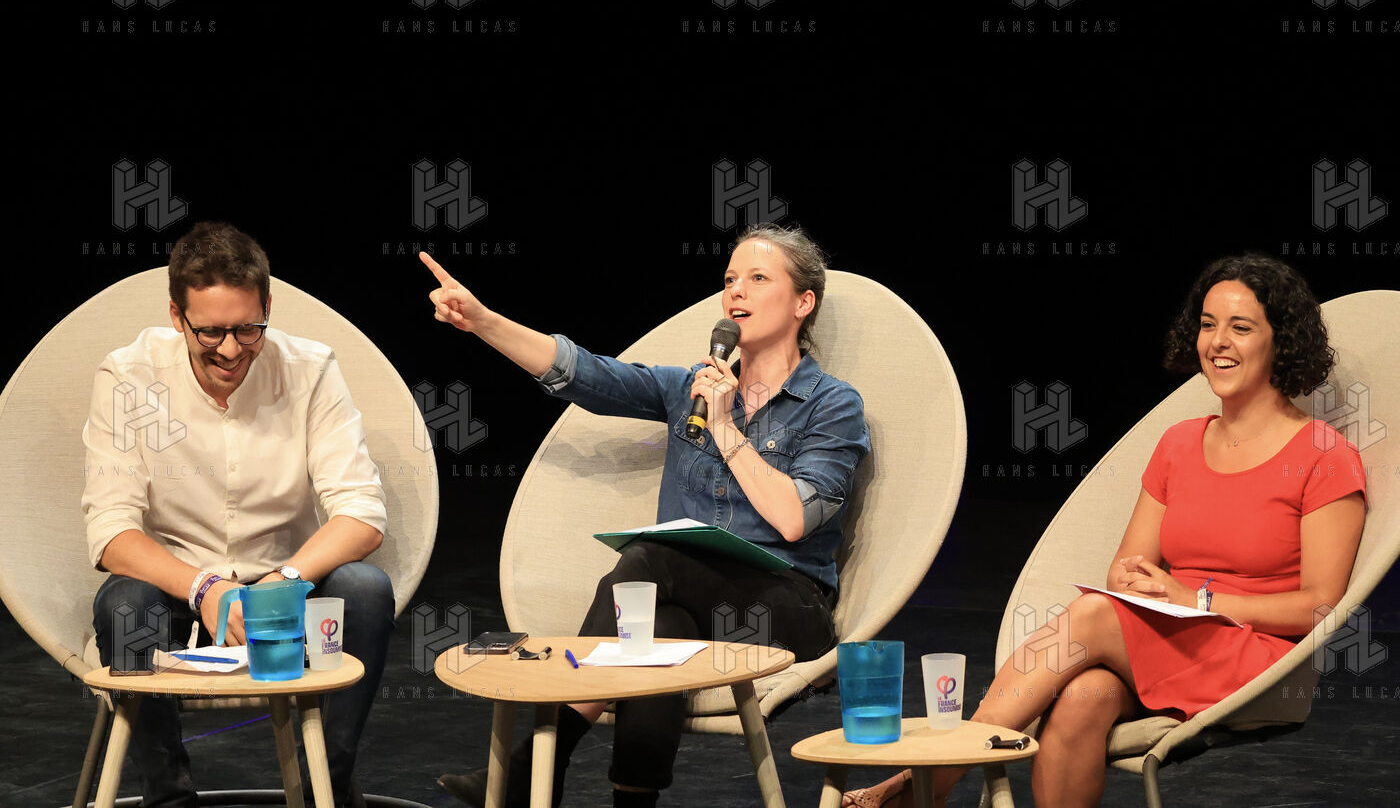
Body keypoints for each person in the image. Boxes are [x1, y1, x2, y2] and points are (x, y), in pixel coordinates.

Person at [844, 253, 1367, 808]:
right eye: (1208, 324)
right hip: (1175, 639)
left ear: (1281, 342)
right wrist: (1140, 583)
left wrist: (1196, 599)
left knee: (1094, 613)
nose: (1218, 341)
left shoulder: (1323, 455)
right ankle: (929, 785)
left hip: (1260, 659)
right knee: (1080, 699)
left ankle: (929, 783)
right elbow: (1126, 566)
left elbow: (1320, 606)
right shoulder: (1179, 443)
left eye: (1241, 327)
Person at [425, 223, 870, 807]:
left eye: (758, 279)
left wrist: (725, 426)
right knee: (655, 625)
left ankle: (537, 763)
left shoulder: (833, 404)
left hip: (786, 610)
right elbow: (586, 373)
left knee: (650, 557)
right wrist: (483, 320)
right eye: (730, 279)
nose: (736, 291)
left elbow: (794, 519)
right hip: (692, 607)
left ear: (802, 303)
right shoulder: (688, 388)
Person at [82, 221, 395, 808]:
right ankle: (168, 797)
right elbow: (111, 531)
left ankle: (326, 787)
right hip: (179, 589)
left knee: (366, 589)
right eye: (210, 331)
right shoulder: (129, 376)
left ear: (267, 308)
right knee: (124, 603)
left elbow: (362, 511)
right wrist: (205, 588)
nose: (230, 350)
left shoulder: (309, 368)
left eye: (248, 329)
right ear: (177, 317)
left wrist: (284, 581)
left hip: (287, 587)